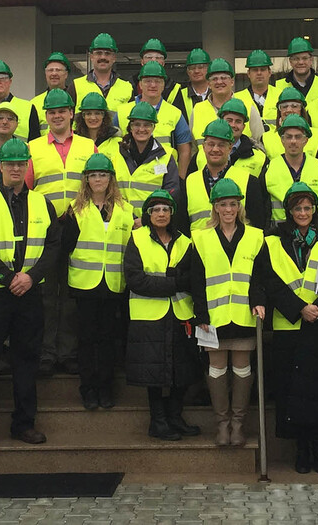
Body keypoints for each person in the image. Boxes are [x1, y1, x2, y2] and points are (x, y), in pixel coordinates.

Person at [0, 139, 61, 449]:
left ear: (27, 166)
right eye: (11, 163)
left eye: (22, 163)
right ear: (1, 166)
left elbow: (53, 247)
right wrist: (9, 279)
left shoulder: (42, 203)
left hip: (30, 294)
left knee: (27, 360)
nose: (16, 168)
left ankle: (24, 424)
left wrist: (31, 278)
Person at [260, 182, 318, 474]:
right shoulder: (271, 240)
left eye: (307, 207)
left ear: (315, 209)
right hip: (288, 324)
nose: (302, 212)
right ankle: (300, 449)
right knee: (291, 390)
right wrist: (299, 308)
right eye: (297, 208)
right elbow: (268, 280)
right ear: (288, 210)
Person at [189, 178, 268, 446]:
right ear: (215, 207)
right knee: (217, 369)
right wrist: (200, 315)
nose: (228, 209)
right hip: (213, 317)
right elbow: (196, 281)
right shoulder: (200, 238)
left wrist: (259, 301)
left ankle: (238, 424)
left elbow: (260, 276)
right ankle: (221, 424)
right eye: (223, 204)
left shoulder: (256, 236)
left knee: (242, 369)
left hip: (245, 315)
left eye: (233, 204)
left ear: (239, 206)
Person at [29, 88, 96, 375]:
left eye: (62, 111)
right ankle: (46, 354)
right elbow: (28, 188)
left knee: (70, 294)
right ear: (46, 116)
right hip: (45, 228)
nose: (57, 115)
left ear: (72, 113)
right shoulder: (33, 147)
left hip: (78, 228)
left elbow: (97, 185)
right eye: (52, 112)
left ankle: (67, 353)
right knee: (45, 294)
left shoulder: (87, 146)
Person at [123, 190, 199, 441]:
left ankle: (175, 417)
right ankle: (157, 421)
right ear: (148, 214)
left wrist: (170, 281)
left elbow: (192, 279)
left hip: (180, 313)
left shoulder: (185, 241)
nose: (161, 214)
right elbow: (135, 280)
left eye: (166, 209)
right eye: (155, 210)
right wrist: (172, 282)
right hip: (148, 315)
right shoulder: (137, 239)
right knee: (152, 371)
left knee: (182, 368)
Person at [60, 154, 134, 410]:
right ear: (86, 180)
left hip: (114, 284)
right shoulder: (76, 209)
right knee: (87, 339)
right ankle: (88, 389)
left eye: (103, 174)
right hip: (84, 285)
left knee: (108, 339)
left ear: (111, 178)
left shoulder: (126, 210)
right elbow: (65, 247)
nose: (98, 179)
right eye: (93, 175)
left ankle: (106, 388)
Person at [178, 119, 270, 234]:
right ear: (203, 147)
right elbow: (182, 225)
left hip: (237, 250)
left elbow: (257, 225)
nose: (215, 149)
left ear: (230, 148)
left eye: (221, 145)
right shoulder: (189, 181)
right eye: (211, 144)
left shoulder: (249, 182)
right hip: (198, 250)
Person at [118, 61, 193, 179]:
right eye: (147, 81)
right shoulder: (122, 111)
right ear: (140, 84)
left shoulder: (175, 113)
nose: (153, 85)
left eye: (158, 81)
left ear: (164, 85)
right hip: (128, 178)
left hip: (163, 178)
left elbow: (185, 150)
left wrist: (179, 179)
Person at [262, 114, 318, 231]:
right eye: (289, 137)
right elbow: (262, 209)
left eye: (298, 137)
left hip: (317, 237)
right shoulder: (270, 169)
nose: (293, 141)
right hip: (280, 238)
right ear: (282, 140)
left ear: (305, 140)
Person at [112, 101, 181, 219]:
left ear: (154, 127)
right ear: (130, 127)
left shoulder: (166, 156)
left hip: (153, 224)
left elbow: (172, 192)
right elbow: (109, 190)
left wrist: (146, 219)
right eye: (137, 124)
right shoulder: (117, 153)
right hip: (119, 221)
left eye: (147, 125)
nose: (141, 129)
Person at [260, 88, 318, 180]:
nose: (289, 110)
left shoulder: (316, 136)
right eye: (284, 106)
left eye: (294, 106)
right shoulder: (266, 138)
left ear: (302, 109)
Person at [189, 58, 264, 142]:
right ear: (209, 84)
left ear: (232, 82)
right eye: (214, 79)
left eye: (224, 78)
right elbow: (192, 148)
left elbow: (260, 143)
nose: (219, 82)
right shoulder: (198, 109)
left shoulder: (248, 107)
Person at [190, 99, 268, 178]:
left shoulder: (259, 158)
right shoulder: (200, 156)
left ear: (243, 127)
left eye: (238, 121)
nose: (233, 125)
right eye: (229, 120)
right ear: (221, 121)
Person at [263, 37, 318, 124]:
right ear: (290, 61)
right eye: (296, 59)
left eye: (304, 58)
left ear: (311, 60)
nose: (300, 62)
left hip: (317, 136)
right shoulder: (278, 86)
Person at [70, 33, 134, 113]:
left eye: (107, 53)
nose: (103, 57)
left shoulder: (127, 88)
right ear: (91, 57)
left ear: (114, 57)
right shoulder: (76, 86)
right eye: (99, 53)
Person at [129, 38, 184, 103]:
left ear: (163, 63)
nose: (154, 61)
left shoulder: (173, 88)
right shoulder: (129, 85)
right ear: (142, 62)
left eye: (158, 58)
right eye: (149, 57)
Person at [32, 52, 72, 137]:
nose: (54, 73)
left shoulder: (74, 98)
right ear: (45, 74)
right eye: (50, 70)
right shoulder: (34, 103)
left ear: (66, 74)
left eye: (58, 70)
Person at [175, 48, 211, 121]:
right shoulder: (178, 95)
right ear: (188, 72)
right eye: (192, 68)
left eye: (201, 67)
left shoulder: (216, 93)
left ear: (209, 69)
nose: (196, 71)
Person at [244, 49, 276, 120]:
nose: (259, 73)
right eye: (255, 70)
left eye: (263, 69)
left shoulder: (280, 96)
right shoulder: (237, 99)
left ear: (270, 73)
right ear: (248, 74)